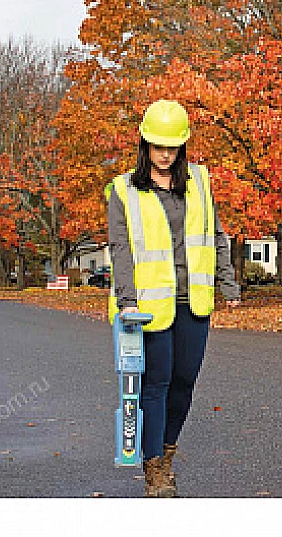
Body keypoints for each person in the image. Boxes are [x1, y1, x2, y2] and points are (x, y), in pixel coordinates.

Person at [106, 99, 241, 497]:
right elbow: (120, 249)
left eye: (172, 147)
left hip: (192, 300)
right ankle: (154, 470)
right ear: (145, 144)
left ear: (182, 146)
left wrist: (228, 284)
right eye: (158, 146)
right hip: (148, 306)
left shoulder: (199, 181)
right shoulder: (124, 190)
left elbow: (216, 235)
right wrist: (127, 300)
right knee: (156, 385)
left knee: (184, 384)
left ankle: (167, 453)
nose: (165, 155)